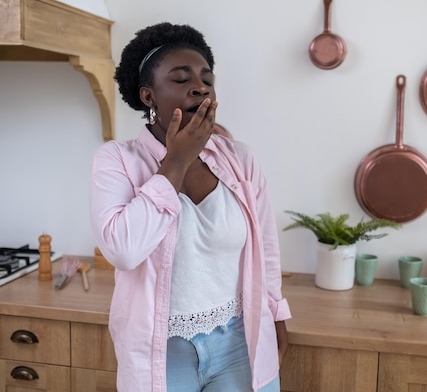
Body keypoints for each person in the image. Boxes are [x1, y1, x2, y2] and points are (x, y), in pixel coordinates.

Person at [89, 22, 291, 392]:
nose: (199, 86)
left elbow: (266, 246)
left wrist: (276, 317)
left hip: (238, 341)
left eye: (207, 80)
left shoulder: (240, 159)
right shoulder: (117, 160)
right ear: (149, 97)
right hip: (161, 351)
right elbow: (123, 249)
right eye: (181, 79)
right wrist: (176, 161)